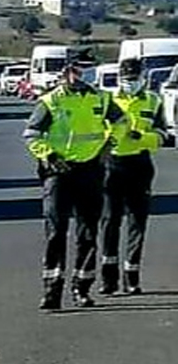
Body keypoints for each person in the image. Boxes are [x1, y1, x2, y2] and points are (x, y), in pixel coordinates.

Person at [23, 58, 124, 310]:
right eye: (78, 71)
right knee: (56, 230)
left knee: (88, 232)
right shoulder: (51, 100)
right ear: (67, 73)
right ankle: (52, 289)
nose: (82, 76)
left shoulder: (101, 98)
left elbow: (121, 122)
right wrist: (49, 155)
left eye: (87, 70)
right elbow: (32, 134)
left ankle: (82, 287)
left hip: (90, 169)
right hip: (59, 171)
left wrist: (109, 146)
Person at [99, 59, 166, 295]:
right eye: (126, 79)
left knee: (138, 221)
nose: (130, 83)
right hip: (112, 163)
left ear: (143, 77)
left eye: (134, 78)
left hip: (140, 163)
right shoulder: (107, 99)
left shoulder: (153, 100)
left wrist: (144, 138)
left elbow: (162, 134)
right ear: (119, 78)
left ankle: (132, 276)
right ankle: (108, 277)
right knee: (110, 220)